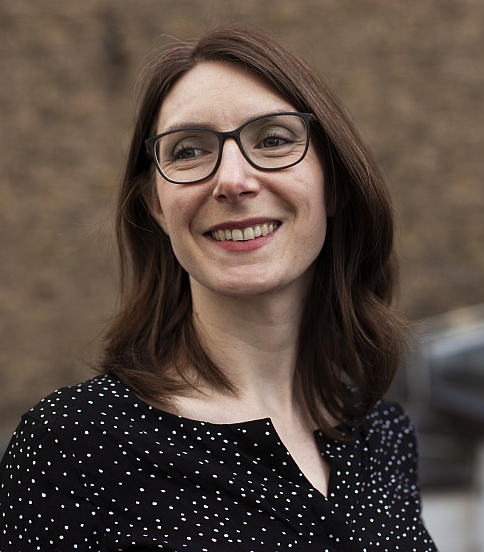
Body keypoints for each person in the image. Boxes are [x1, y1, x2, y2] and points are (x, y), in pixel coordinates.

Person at [0, 25, 437, 551]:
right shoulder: (74, 445)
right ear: (156, 206)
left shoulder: (382, 434)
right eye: (189, 151)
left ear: (335, 184)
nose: (233, 180)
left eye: (273, 140)